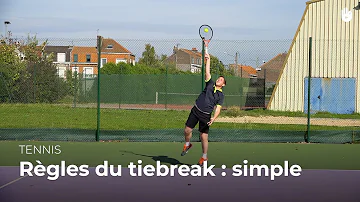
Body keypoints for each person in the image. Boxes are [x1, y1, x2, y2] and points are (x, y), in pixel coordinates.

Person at [181, 52, 226, 166]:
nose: (218, 80)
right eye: (219, 78)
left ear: (223, 84)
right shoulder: (210, 84)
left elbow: (218, 109)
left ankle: (204, 157)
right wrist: (208, 59)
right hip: (196, 110)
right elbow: (207, 71)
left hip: (205, 115)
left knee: (203, 136)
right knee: (187, 130)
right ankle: (187, 144)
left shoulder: (221, 96)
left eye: (221, 80)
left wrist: (214, 118)